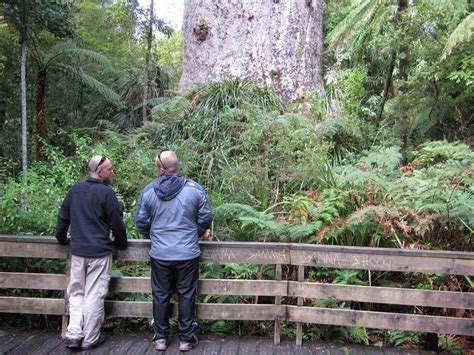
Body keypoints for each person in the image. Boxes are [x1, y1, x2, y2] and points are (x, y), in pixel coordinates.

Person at [135, 150, 212, 352]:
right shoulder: (194, 189)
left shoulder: (149, 191)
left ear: (161, 168)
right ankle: (186, 339)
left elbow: (141, 222)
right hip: (187, 254)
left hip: (160, 254)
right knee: (186, 294)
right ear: (176, 166)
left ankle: (160, 338)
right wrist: (193, 235)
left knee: (160, 295)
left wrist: (156, 237)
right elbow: (206, 217)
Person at [56, 155, 127, 351]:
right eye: (110, 169)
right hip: (99, 253)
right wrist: (121, 243)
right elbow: (117, 225)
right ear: (99, 171)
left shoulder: (75, 190)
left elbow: (62, 218)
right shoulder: (107, 194)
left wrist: (62, 239)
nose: (112, 172)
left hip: (78, 251)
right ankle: (90, 338)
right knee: (94, 295)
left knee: (76, 293)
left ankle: (74, 335)